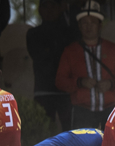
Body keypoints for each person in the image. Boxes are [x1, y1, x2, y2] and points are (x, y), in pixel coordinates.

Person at [56, 0, 115, 129]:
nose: (88, 26)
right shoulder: (70, 51)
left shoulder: (112, 49)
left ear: (100, 25)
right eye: (84, 23)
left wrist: (111, 84)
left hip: (110, 111)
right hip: (82, 112)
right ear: (79, 25)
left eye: (93, 22)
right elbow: (60, 81)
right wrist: (80, 82)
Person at [26, 0, 79, 131]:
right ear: (39, 9)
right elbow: (42, 57)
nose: (49, 9)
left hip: (66, 91)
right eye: (45, 5)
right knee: (43, 134)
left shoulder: (70, 32)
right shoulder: (33, 34)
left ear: (60, 7)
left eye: (53, 5)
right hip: (43, 90)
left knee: (71, 132)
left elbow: (73, 53)